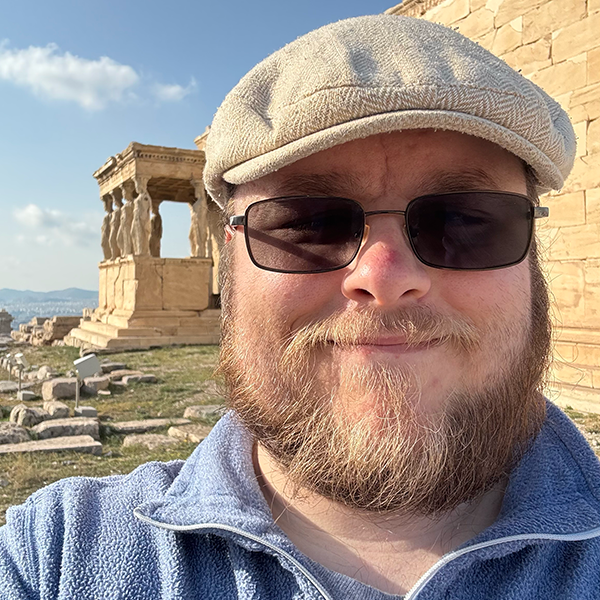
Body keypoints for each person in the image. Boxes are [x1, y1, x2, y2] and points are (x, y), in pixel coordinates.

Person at [2, 14, 600, 600]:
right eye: (308, 224)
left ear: (533, 256)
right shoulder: (54, 556)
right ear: (229, 258)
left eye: (466, 221)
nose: (384, 278)